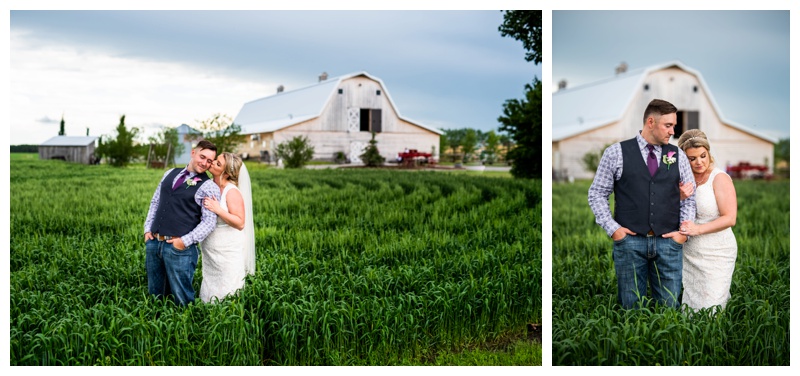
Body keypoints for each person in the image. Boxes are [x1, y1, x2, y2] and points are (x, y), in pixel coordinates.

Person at [588, 99, 696, 309]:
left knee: (669, 308)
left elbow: (690, 198)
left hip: (669, 243)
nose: (673, 131)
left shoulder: (678, 156)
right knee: (630, 308)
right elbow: (597, 194)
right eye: (668, 125)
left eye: (674, 125)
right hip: (630, 243)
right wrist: (614, 230)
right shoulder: (616, 153)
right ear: (650, 122)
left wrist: (683, 233)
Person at [144, 140, 219, 306]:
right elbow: (155, 202)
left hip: (179, 249)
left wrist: (183, 242)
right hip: (154, 243)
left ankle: (185, 330)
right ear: (193, 153)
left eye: (209, 161)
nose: (205, 163)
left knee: (182, 299)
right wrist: (147, 230)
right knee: (155, 296)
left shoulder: (209, 186)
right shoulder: (170, 172)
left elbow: (209, 222)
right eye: (202, 156)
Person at [677, 129, 738, 311]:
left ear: (708, 152)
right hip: (690, 253)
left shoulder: (719, 178)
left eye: (703, 156)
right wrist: (678, 196)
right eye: (692, 158)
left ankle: (716, 339)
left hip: (717, 252)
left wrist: (697, 230)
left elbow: (730, 218)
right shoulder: (682, 179)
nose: (699, 162)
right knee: (691, 307)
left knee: (712, 306)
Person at [200, 152, 256, 303]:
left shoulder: (231, 192)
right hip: (210, 253)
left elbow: (240, 222)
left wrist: (218, 209)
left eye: (217, 164)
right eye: (215, 160)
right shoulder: (209, 185)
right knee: (209, 291)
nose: (211, 163)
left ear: (226, 173)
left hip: (227, 252)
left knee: (228, 291)